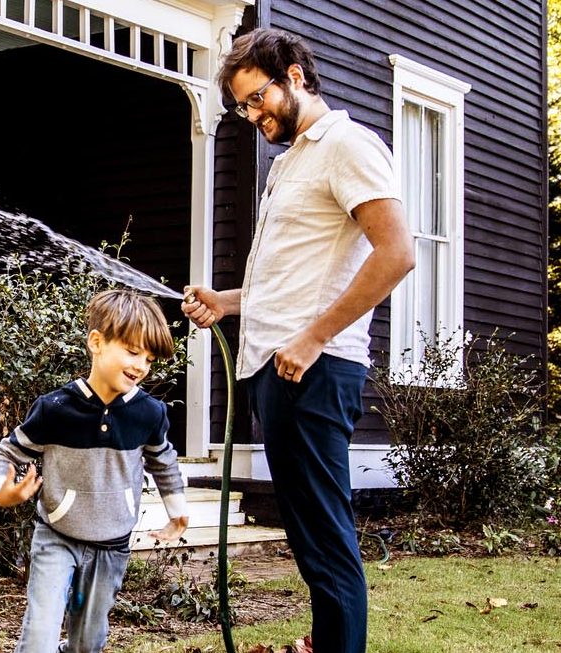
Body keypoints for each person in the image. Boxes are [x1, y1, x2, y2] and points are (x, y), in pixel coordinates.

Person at [179, 28, 415, 653]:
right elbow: (291, 279)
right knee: (311, 538)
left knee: (325, 539)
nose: (252, 115)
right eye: (242, 107)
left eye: (257, 99)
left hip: (311, 369)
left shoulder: (348, 146)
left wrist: (313, 338)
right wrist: (226, 303)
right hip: (277, 367)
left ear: (296, 76)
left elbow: (396, 254)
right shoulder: (290, 163)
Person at [0, 289, 190, 653]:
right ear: (97, 342)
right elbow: (6, 452)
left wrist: (177, 512)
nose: (142, 365)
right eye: (132, 351)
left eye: (149, 357)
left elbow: (164, 460)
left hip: (111, 546)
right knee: (39, 638)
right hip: (57, 536)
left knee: (87, 644)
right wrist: (2, 489)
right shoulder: (55, 408)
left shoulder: (149, 413)